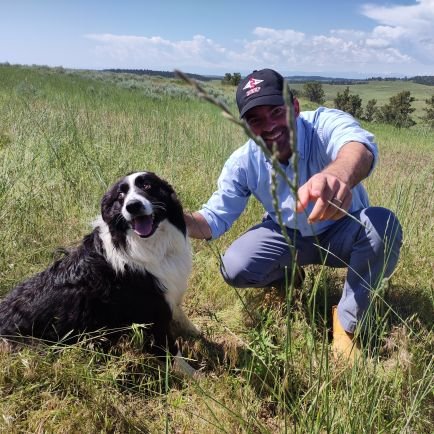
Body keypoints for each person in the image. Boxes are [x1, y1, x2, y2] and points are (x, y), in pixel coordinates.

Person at [184, 68, 402, 364]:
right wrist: (171, 218)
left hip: (342, 232)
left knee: (383, 226)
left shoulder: (324, 123)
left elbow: (358, 147)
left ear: (295, 107)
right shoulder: (243, 162)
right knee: (234, 267)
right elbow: (212, 219)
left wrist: (337, 176)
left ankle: (347, 323)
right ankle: (288, 277)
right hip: (287, 235)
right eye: (255, 120)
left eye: (276, 112)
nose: (270, 126)